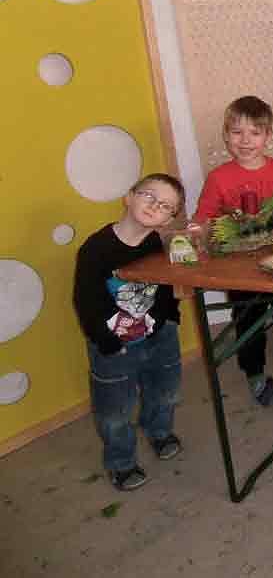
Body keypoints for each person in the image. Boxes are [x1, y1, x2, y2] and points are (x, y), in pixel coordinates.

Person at [194, 96, 273, 407]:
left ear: (268, 136)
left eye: (255, 133)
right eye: (237, 132)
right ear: (226, 135)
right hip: (240, 269)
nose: (245, 141)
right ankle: (255, 374)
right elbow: (204, 218)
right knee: (248, 322)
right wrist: (198, 237)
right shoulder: (219, 178)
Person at [73, 173, 186, 491]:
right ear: (129, 196)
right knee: (115, 410)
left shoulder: (155, 244)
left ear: (168, 219)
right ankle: (121, 462)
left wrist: (170, 318)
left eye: (166, 206)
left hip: (159, 336)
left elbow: (163, 284)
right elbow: (86, 300)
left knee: (166, 391)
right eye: (149, 196)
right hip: (114, 345)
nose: (155, 206)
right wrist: (107, 341)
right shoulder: (96, 249)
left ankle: (158, 431)